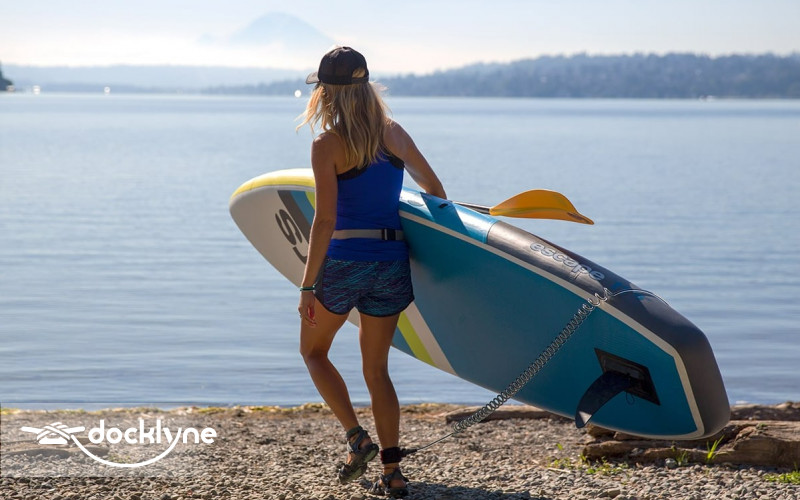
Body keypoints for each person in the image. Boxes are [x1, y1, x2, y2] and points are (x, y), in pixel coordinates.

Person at [296, 46, 446, 498]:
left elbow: (324, 220)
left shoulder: (327, 144)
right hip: (391, 264)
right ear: (366, 88)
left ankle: (356, 437)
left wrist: (307, 285)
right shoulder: (393, 134)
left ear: (326, 94)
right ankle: (393, 472)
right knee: (377, 370)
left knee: (314, 352)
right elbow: (434, 189)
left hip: (345, 263)